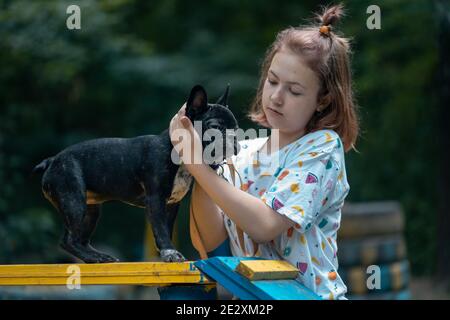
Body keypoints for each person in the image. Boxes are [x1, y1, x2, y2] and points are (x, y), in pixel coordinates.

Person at [169, 4, 359, 300]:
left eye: (294, 91)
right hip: (252, 300)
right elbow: (212, 245)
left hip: (309, 297)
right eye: (272, 81)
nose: (276, 97)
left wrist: (197, 166)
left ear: (322, 100)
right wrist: (202, 155)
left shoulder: (322, 147)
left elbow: (265, 225)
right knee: (180, 295)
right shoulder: (241, 151)